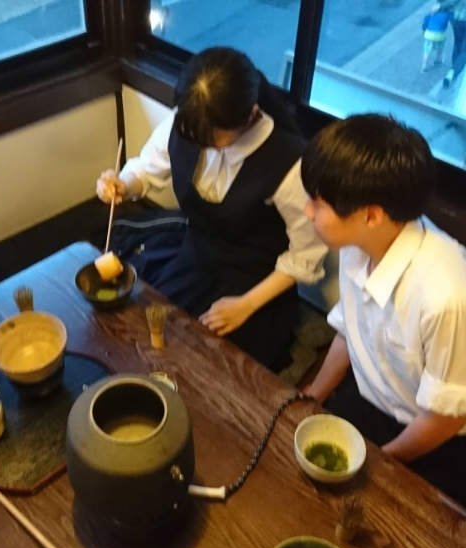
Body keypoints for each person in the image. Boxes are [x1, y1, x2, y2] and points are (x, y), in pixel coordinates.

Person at [300, 114, 466, 529]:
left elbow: (447, 415)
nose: (307, 210)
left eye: (319, 203)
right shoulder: (360, 243)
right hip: (376, 397)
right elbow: (350, 332)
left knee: (382, 529)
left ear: (372, 214)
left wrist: (379, 463)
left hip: (445, 437)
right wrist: (311, 397)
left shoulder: (448, 299)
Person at [97, 47, 327, 371]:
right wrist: (123, 185)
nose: (198, 145)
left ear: (250, 115)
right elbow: (147, 171)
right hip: (195, 256)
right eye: (193, 135)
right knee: (140, 327)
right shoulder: (188, 122)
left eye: (211, 140)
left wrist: (245, 306)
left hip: (251, 281)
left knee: (204, 363)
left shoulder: (289, 163)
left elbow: (307, 255)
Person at [421, 4, 451, 73]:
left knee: (426, 50)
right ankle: (437, 60)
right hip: (440, 35)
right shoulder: (446, 15)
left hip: (429, 34)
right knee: (440, 48)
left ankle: (424, 66)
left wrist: (424, 31)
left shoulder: (430, 15)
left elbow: (425, 24)